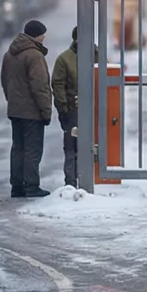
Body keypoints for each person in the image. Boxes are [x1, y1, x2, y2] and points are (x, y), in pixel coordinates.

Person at [1, 19, 53, 198]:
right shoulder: (34, 56)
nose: (44, 37)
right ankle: (31, 186)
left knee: (18, 148)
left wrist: (12, 102)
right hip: (32, 112)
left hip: (15, 110)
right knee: (32, 149)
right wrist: (46, 111)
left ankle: (17, 186)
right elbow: (40, 87)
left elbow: (5, 82)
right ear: (36, 35)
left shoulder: (10, 54)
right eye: (42, 34)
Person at [52, 26, 83, 189]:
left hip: (95, 111)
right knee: (72, 148)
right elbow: (58, 85)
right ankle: (71, 182)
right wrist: (63, 108)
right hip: (73, 111)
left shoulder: (98, 55)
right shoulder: (64, 59)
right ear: (74, 38)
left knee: (93, 147)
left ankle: (90, 179)